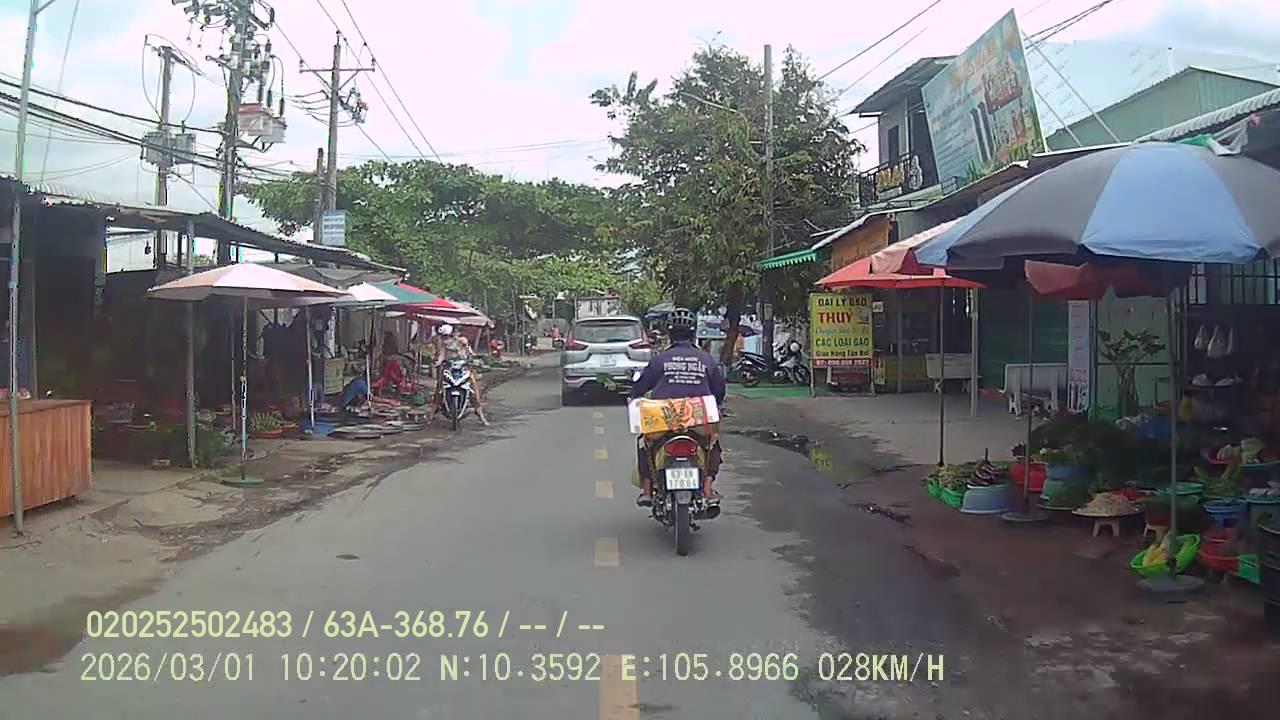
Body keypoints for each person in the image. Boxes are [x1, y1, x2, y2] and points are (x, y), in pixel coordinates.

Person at [628, 308, 726, 506]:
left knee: (645, 443)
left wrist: (634, 396)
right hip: (698, 416)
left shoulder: (660, 360)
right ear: (693, 332)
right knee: (712, 443)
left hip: (664, 417)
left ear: (669, 333)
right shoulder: (706, 359)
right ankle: (707, 488)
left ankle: (647, 491)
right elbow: (719, 391)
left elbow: (640, 387)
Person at [430, 324, 489, 426]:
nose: (447, 338)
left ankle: (480, 415)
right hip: (449, 369)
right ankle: (431, 414)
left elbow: (470, 353)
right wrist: (438, 362)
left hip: (463, 369)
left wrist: (472, 357)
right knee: (439, 388)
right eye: (445, 336)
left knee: (473, 390)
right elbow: (442, 355)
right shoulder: (444, 344)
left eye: (449, 336)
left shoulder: (463, 341)